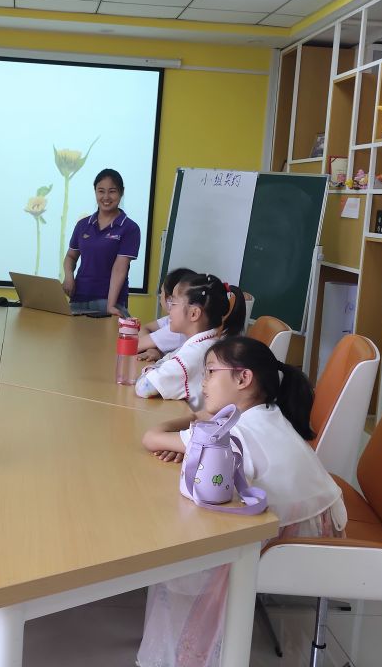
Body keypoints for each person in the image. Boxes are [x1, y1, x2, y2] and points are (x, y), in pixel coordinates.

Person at [138, 335, 346, 667]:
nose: (203, 381)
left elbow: (151, 437)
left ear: (243, 378)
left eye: (210, 372)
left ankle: (187, 656)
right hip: (318, 519)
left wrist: (190, 426)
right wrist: (193, 443)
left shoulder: (234, 432)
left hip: (301, 538)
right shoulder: (265, 413)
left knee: (185, 544)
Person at [134, 275, 246, 412]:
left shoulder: (193, 354)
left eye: (173, 303)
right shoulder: (205, 343)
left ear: (194, 313)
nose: (169, 309)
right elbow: (164, 361)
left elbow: (143, 388)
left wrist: (149, 370)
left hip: (192, 420)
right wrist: (156, 368)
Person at [63, 168, 140, 317]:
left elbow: (120, 268)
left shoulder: (129, 228)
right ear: (95, 192)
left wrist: (110, 305)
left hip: (109, 301)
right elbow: (71, 256)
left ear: (121, 192)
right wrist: (68, 276)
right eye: (101, 191)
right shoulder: (83, 225)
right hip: (78, 299)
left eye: (112, 191)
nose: (106, 197)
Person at [137, 267, 196, 362]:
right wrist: (152, 349)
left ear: (170, 299)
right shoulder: (173, 319)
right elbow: (145, 327)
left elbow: (136, 345)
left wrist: (151, 346)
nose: (160, 296)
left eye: (161, 292)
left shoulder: (179, 329)